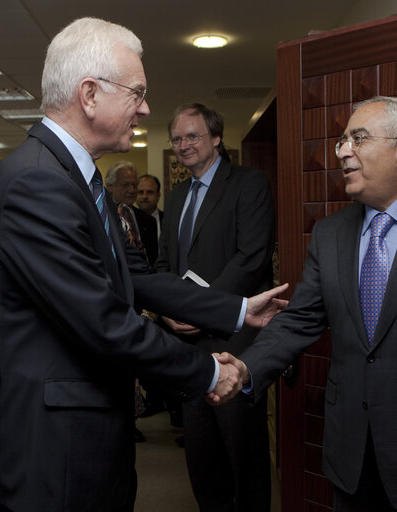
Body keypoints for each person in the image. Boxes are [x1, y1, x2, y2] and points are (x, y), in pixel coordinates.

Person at [0, 17, 286, 512]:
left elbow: (135, 277)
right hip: (55, 440)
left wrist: (235, 309)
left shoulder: (73, 177)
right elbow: (101, 320)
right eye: (136, 92)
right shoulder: (37, 184)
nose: (145, 108)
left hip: (88, 421)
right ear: (90, 94)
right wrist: (205, 371)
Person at [219, 96, 397, 512]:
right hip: (350, 452)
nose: (342, 152)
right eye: (342, 141)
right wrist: (246, 366)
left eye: (358, 138)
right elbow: (300, 319)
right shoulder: (330, 233)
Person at [156, 103, 275, 512]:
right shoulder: (174, 199)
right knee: (202, 458)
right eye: (177, 138)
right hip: (186, 349)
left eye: (192, 136)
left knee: (243, 453)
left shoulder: (249, 183)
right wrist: (166, 307)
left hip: (234, 342)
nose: (183, 145)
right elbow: (162, 265)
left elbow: (252, 257)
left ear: (216, 138)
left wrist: (198, 309)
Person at [106, 161, 158, 267]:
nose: (132, 190)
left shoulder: (148, 220)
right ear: (110, 186)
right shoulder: (102, 215)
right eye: (125, 185)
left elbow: (153, 259)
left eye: (134, 185)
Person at [136, 174, 163, 239]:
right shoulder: (129, 221)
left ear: (158, 196)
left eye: (149, 192)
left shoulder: (169, 221)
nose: (144, 196)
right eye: (140, 192)